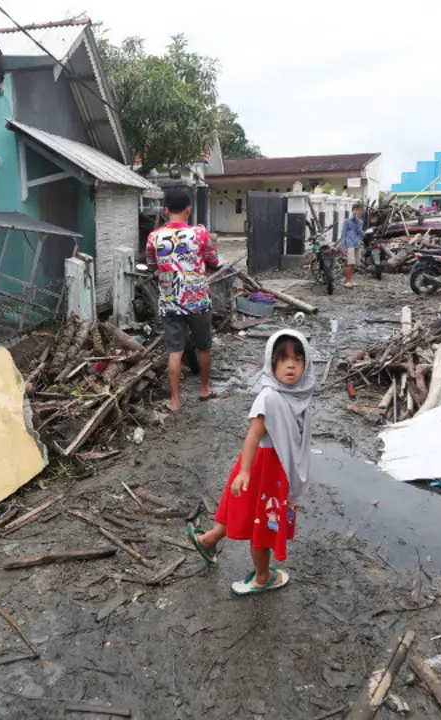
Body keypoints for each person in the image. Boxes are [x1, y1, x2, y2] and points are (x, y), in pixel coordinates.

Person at [186, 329, 316, 595]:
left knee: (243, 509)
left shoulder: (300, 396)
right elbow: (253, 435)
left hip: (271, 470)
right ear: (272, 363)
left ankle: (208, 540)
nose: (290, 365)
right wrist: (244, 471)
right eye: (282, 360)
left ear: (307, 364)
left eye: (297, 359)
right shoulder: (269, 397)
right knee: (263, 525)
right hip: (263, 470)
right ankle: (262, 577)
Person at [147, 188, 221, 413]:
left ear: (166, 210)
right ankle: (204, 389)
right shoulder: (200, 234)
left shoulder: (154, 237)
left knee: (175, 351)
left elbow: (151, 264)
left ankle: (175, 401)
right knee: (204, 347)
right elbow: (214, 261)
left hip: (170, 301)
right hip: (197, 300)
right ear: (189, 209)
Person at [340, 204, 364, 288]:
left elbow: (359, 232)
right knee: (350, 264)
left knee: (354, 264)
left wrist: (357, 222)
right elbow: (343, 235)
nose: (357, 211)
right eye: (356, 210)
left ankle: (351, 280)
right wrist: (343, 247)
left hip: (357, 244)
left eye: (359, 210)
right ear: (352, 210)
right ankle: (347, 281)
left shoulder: (360, 222)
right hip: (349, 244)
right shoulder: (346, 221)